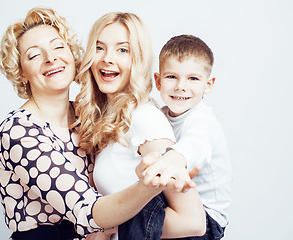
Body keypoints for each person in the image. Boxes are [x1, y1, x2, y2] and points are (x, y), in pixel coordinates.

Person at [0, 7, 181, 240]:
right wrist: (147, 186)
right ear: (21, 72)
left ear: (73, 55)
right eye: (34, 55)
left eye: (58, 46)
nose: (50, 58)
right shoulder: (18, 131)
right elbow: (86, 210)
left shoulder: (88, 116)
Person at [74, 12, 206, 240]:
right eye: (99, 48)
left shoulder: (145, 119)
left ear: (138, 59)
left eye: (122, 50)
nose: (108, 58)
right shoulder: (111, 119)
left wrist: (109, 225)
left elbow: (193, 222)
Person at [153, 34, 233, 239]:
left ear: (208, 84)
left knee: (140, 217)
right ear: (158, 81)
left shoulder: (202, 120)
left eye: (193, 78)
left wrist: (174, 158)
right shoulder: (159, 116)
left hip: (208, 218)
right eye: (171, 76)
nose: (181, 86)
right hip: (179, 204)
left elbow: (196, 143)